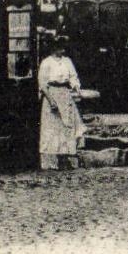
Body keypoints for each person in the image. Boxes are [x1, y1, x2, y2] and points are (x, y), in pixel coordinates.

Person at [37, 36, 85, 171]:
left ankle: (66, 158)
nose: (62, 48)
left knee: (67, 125)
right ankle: (52, 160)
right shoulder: (46, 63)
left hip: (65, 94)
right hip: (52, 93)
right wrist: (51, 100)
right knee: (52, 128)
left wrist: (76, 87)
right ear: (53, 48)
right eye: (59, 45)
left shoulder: (67, 61)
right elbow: (42, 83)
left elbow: (73, 77)